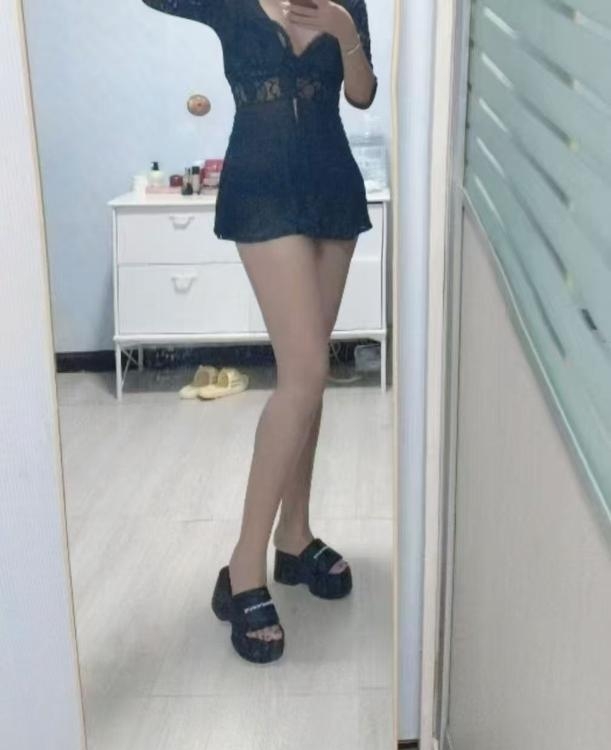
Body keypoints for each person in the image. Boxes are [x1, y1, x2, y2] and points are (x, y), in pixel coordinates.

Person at [141, 0, 378, 663]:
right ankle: (243, 567)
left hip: (332, 187)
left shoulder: (346, 4)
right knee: (304, 374)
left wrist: (343, 30)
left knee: (310, 380)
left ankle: (295, 537)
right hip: (262, 189)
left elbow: (361, 95)